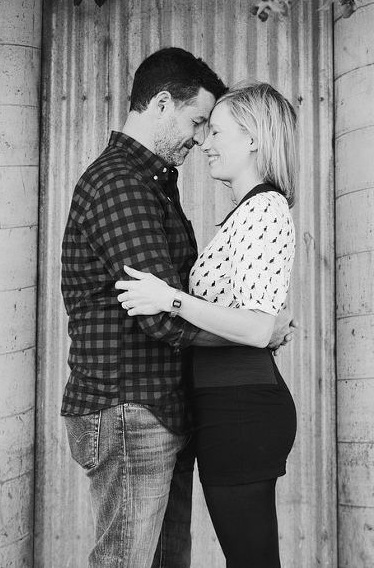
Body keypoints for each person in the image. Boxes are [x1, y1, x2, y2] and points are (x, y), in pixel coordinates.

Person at [60, 50, 293, 568]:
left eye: (211, 129)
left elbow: (178, 301)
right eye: (195, 123)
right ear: (162, 104)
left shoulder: (156, 186)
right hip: (128, 407)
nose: (199, 139)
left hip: (156, 409)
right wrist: (258, 333)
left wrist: (253, 329)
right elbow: (163, 317)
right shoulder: (121, 183)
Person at [116, 81, 299, 568]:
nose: (206, 143)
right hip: (226, 404)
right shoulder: (245, 212)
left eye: (217, 132)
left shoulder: (265, 208)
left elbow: (259, 328)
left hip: (240, 408)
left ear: (254, 139)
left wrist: (169, 298)